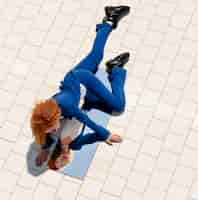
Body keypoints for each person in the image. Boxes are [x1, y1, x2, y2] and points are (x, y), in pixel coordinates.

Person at [30, 5, 130, 166]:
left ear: (55, 117)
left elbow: (84, 119)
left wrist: (105, 134)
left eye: (53, 128)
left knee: (118, 106)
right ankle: (110, 20)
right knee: (96, 55)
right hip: (78, 89)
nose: (53, 131)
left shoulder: (66, 105)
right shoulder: (46, 124)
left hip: (82, 79)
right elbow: (45, 133)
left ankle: (116, 70)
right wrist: (45, 150)